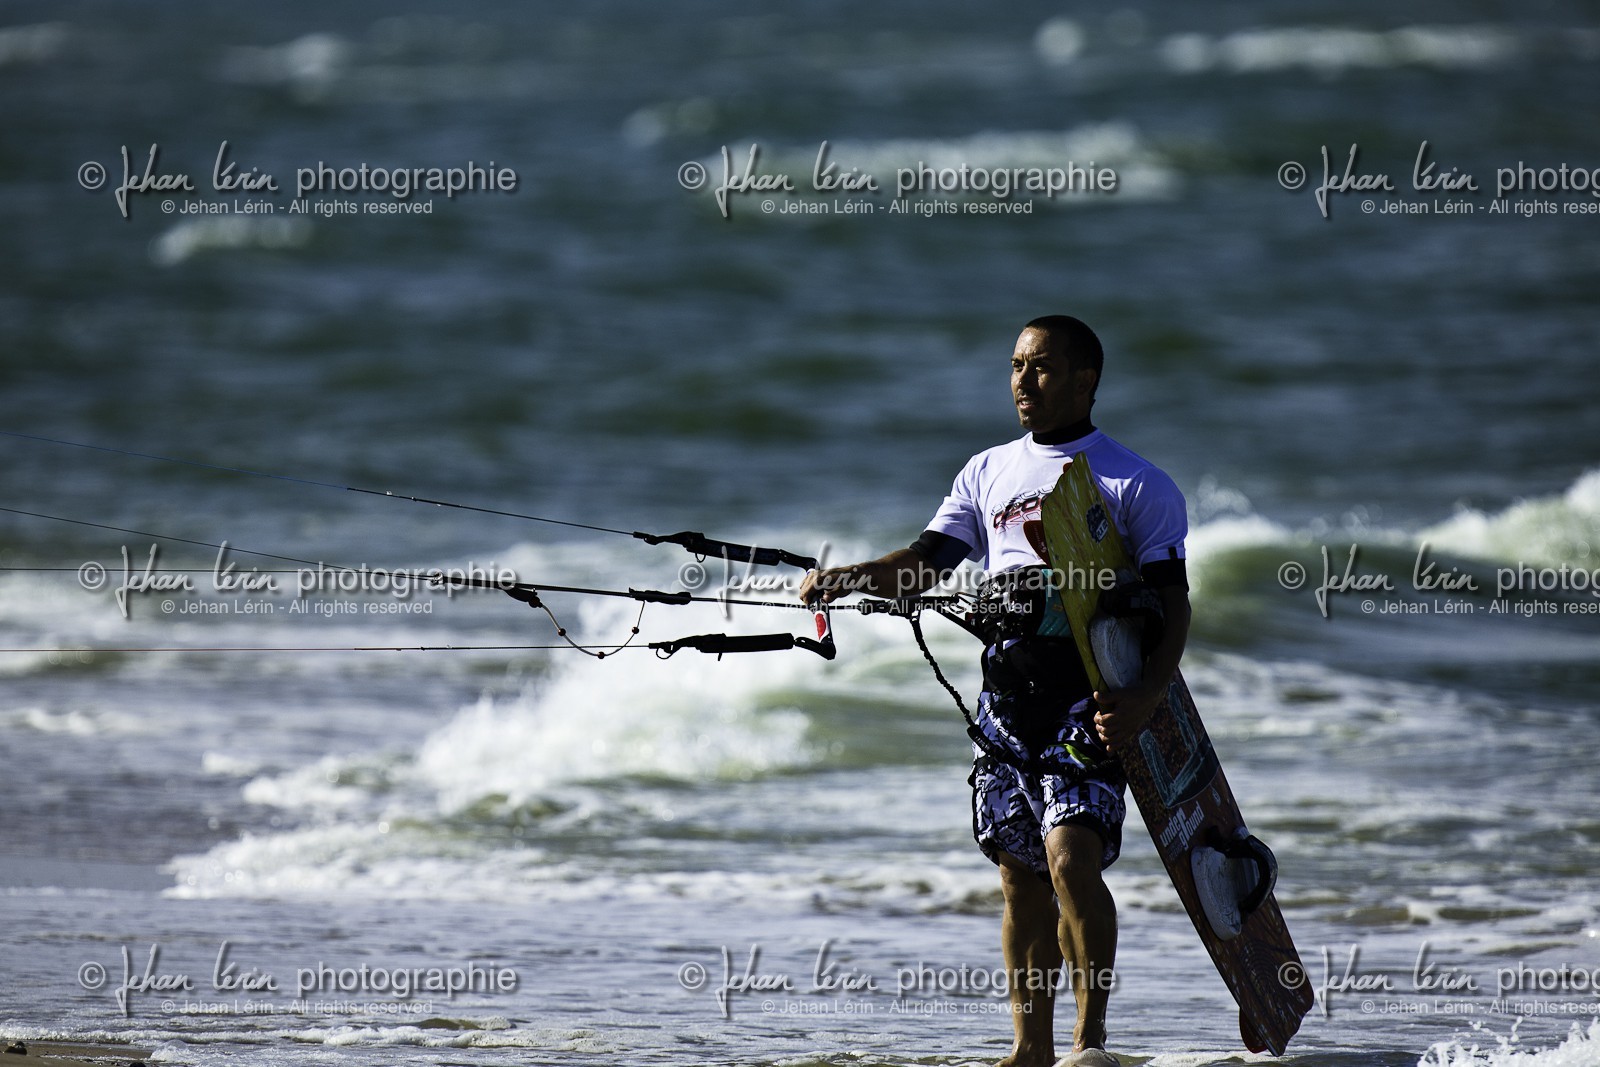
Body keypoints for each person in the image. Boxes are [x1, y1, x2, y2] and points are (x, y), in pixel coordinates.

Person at [799, 316, 1191, 1067]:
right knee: (1020, 877)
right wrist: (846, 577)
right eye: (1015, 365)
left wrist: (1144, 696)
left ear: (1085, 379)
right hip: (1008, 701)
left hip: (1090, 697)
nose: (1022, 380)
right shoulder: (985, 472)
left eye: (1041, 367)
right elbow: (925, 563)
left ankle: (1090, 1041)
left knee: (1073, 860)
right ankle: (1029, 1048)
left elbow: (1173, 604)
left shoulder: (1134, 481)